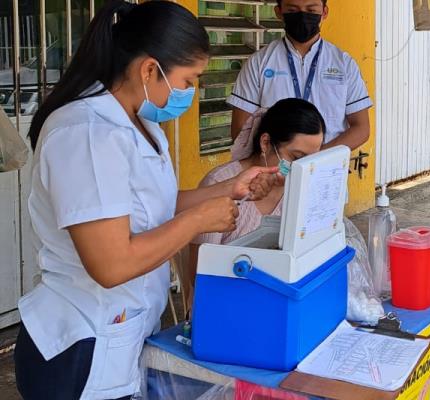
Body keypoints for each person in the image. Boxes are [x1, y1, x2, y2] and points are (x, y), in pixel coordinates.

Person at [13, 2, 279, 399]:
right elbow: (111, 264)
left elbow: (149, 204)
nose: (191, 93)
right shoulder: (86, 133)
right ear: (150, 70)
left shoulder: (141, 124)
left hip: (120, 333)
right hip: (82, 345)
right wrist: (197, 221)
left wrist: (228, 189)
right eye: (188, 81)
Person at [184, 98, 326, 307]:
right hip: (225, 304)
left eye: (310, 161)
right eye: (296, 158)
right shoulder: (219, 184)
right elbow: (202, 273)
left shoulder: (301, 189)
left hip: (282, 300)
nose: (302, 168)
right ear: (266, 143)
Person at [227, 0, 371, 158]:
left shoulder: (344, 64)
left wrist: (314, 159)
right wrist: (278, 159)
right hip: (273, 173)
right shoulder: (259, 63)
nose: (303, 16)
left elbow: (361, 128)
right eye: (293, 10)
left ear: (324, 12)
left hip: (327, 170)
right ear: (279, 12)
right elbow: (240, 131)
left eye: (311, 9)